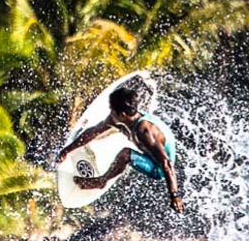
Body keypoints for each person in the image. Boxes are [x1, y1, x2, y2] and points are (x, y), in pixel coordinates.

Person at [56, 86, 185, 213]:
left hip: (159, 168)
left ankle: (101, 181)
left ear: (122, 115)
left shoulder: (144, 131)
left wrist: (174, 195)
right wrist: (67, 150)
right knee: (108, 130)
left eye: (112, 110)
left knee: (125, 154)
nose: (110, 113)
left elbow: (166, 163)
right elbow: (94, 131)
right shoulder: (118, 118)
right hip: (150, 151)